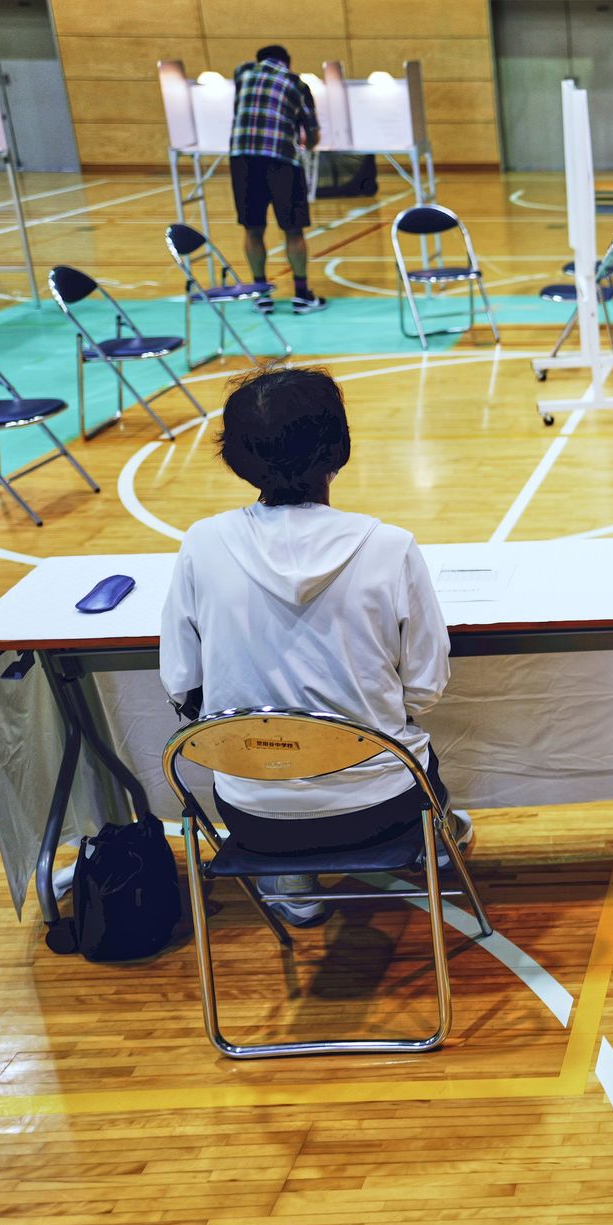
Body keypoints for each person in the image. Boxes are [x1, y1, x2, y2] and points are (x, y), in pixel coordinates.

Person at [159, 367, 463, 926]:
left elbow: (181, 681)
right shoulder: (390, 547)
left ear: (237, 456)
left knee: (276, 770)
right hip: (381, 807)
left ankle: (292, 879)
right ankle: (436, 837)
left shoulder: (202, 544)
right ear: (338, 449)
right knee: (413, 756)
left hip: (253, 817)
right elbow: (425, 688)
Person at [228, 44, 326, 315]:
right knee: (294, 230)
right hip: (281, 160)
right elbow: (312, 131)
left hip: (243, 161)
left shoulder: (243, 74)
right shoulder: (296, 83)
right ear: (287, 62)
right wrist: (307, 143)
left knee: (252, 229)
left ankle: (261, 295)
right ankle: (302, 295)